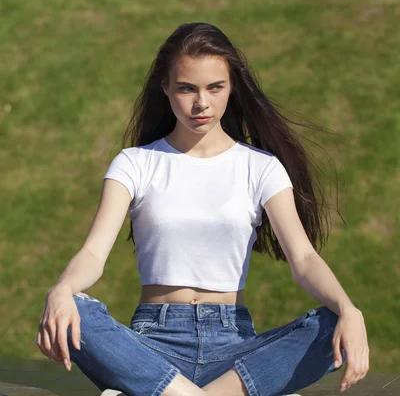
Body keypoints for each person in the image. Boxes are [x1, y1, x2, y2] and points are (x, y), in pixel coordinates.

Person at [35, 22, 369, 396]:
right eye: (186, 88)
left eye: (215, 87)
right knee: (71, 311)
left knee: (332, 323)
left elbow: (304, 258)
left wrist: (348, 308)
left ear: (232, 87)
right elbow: (94, 253)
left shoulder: (261, 167)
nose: (201, 104)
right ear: (165, 88)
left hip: (234, 349)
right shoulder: (135, 163)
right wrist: (62, 289)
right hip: (152, 347)